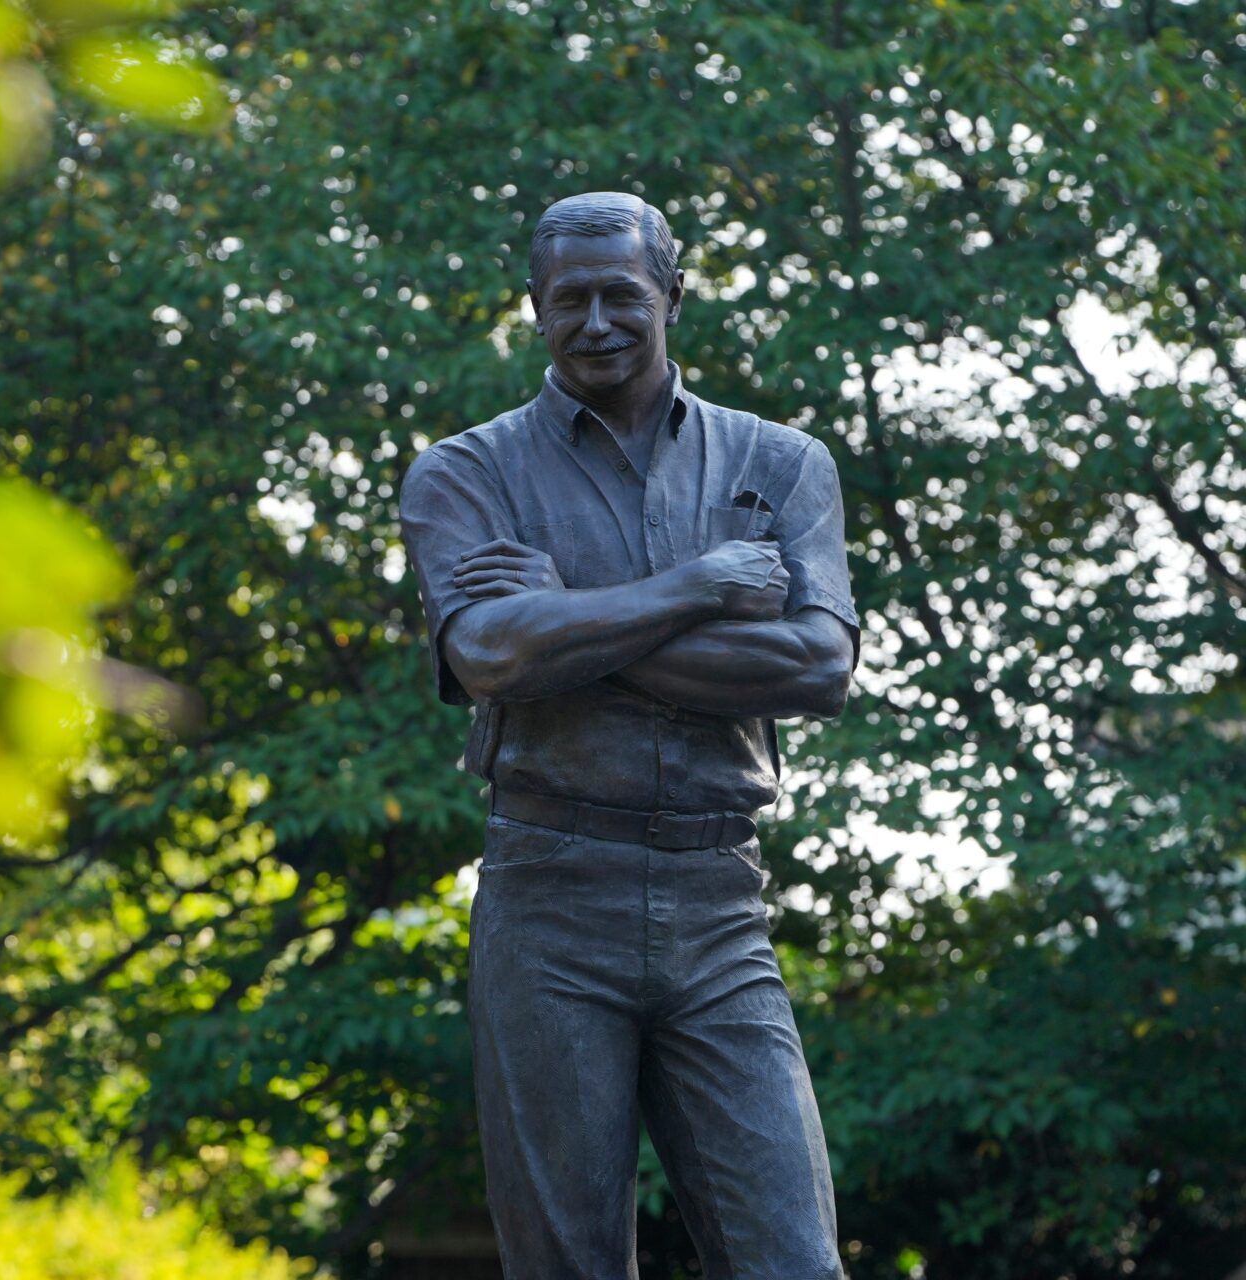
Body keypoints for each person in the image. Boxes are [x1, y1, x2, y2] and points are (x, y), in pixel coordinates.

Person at [397, 191, 859, 1280]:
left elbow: (818, 668)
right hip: (549, 894)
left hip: (720, 897)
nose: (596, 321)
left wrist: (576, 617)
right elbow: (492, 658)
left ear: (673, 298)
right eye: (570, 300)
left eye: (623, 295)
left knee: (794, 1259)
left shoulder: (784, 463)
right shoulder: (467, 472)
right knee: (567, 1262)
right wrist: (695, 591)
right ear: (534, 308)